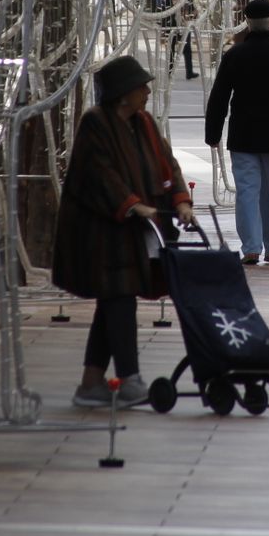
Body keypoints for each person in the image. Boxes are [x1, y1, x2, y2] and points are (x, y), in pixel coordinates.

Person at [54, 55, 197, 407]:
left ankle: (90, 385)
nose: (147, 92)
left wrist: (180, 200)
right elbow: (99, 174)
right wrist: (131, 203)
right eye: (141, 87)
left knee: (115, 299)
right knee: (118, 298)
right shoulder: (96, 123)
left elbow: (167, 163)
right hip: (102, 234)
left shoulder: (143, 122)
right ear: (123, 94)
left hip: (133, 232)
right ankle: (129, 378)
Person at [205, 0, 269, 265]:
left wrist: (213, 133)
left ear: (247, 24)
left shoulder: (234, 55)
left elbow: (219, 96)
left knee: (247, 191)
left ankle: (250, 246)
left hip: (243, 135)